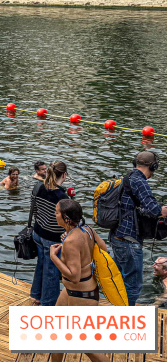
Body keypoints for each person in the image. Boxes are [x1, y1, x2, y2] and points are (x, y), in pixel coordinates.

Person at [49, 199, 109, 362]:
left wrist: (54, 257)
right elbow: (103, 248)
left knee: (84, 344)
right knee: (56, 332)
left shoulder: (70, 241)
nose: (54, 215)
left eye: (56, 212)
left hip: (81, 295)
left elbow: (74, 276)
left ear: (66, 218)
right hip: (75, 291)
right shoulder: (87, 230)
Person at [110, 150, 167, 305]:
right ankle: (126, 320)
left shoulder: (127, 177)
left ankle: (118, 312)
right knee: (133, 286)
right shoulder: (140, 182)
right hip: (129, 240)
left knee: (119, 281)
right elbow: (153, 209)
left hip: (117, 236)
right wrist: (163, 210)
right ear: (153, 166)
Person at [29, 160, 70, 306]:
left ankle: (37, 295)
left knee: (41, 264)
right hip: (53, 237)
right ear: (64, 175)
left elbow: (34, 209)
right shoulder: (62, 197)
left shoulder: (39, 187)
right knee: (51, 270)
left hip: (38, 231)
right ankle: (49, 302)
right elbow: (69, 221)